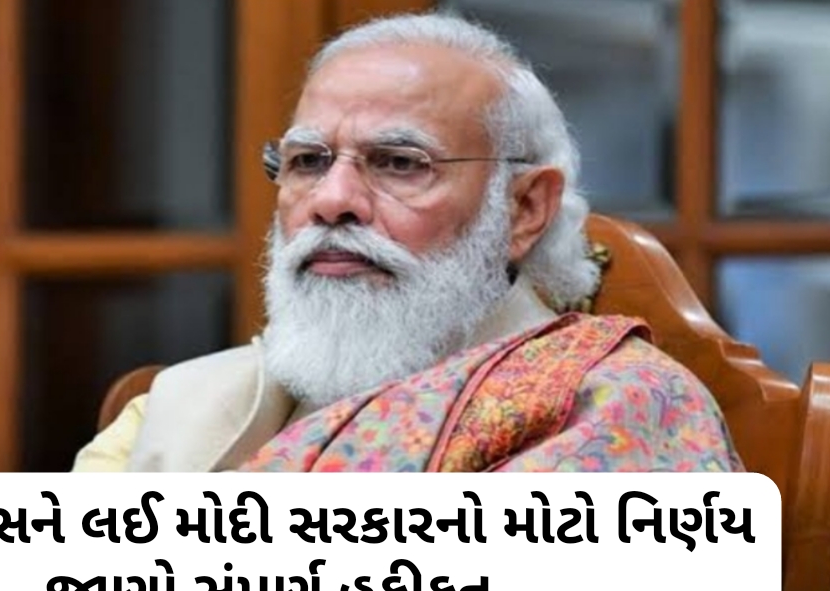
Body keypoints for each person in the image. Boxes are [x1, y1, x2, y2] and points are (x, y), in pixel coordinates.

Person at [72, 10, 744, 477]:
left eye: (398, 163)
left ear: (524, 208)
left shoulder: (617, 407)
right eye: (308, 161)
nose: (332, 200)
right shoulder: (176, 410)